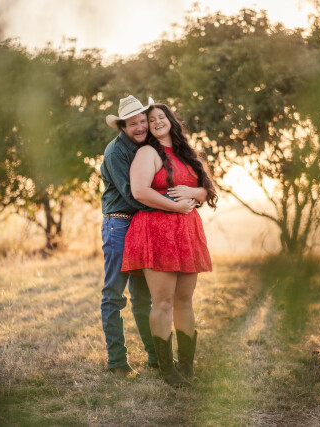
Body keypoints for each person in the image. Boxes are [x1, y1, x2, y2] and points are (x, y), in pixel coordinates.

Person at [121, 102, 218, 387]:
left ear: (171, 120)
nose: (157, 122)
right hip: (157, 230)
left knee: (185, 300)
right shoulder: (148, 153)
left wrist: (192, 191)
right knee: (162, 301)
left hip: (187, 231)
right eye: (151, 120)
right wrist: (176, 206)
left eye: (161, 117)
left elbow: (207, 190)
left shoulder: (187, 153)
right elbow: (140, 191)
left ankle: (186, 365)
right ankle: (167, 369)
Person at [101, 95, 198, 376]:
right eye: (133, 124)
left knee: (144, 298)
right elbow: (135, 195)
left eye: (143, 121)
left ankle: (155, 358)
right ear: (122, 126)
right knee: (114, 295)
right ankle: (117, 361)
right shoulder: (116, 152)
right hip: (119, 223)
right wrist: (175, 205)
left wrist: (190, 196)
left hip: (142, 225)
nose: (141, 127)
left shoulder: (149, 147)